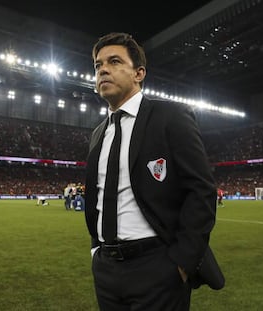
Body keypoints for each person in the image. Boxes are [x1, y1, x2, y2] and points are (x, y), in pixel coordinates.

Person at [84, 32, 221, 311]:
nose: (103, 69)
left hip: (158, 268)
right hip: (106, 270)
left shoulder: (171, 118)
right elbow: (97, 199)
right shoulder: (98, 134)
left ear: (139, 73)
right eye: (98, 65)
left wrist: (181, 263)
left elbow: (201, 190)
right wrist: (96, 250)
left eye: (114, 61)